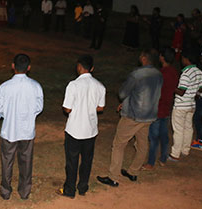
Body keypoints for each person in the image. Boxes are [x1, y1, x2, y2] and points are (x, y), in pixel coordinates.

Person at [97, 49, 163, 187]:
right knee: (142, 144)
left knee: (118, 144)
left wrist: (126, 101)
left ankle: (113, 176)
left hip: (133, 115)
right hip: (149, 115)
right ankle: (133, 172)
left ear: (145, 58)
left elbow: (122, 93)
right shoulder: (158, 74)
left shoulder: (137, 74)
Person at [0, 54, 43, 200]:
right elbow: (38, 107)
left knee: (7, 162)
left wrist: (8, 114)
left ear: (13, 66)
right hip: (27, 130)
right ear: (29, 67)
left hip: (9, 130)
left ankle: (5, 191)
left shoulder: (5, 87)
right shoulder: (35, 86)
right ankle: (24, 191)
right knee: (26, 162)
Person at [57, 55, 105, 198]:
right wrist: (89, 108)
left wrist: (79, 108)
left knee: (71, 161)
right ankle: (83, 187)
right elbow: (100, 108)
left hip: (74, 129)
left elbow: (67, 109)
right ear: (92, 68)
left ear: (78, 67)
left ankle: (69, 190)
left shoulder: (73, 85)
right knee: (87, 160)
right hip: (90, 130)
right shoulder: (100, 86)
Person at [142, 47, 178, 170]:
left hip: (157, 108)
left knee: (153, 138)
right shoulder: (174, 72)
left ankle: (150, 163)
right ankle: (163, 158)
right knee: (164, 135)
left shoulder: (161, 74)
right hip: (167, 107)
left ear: (162, 57)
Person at [168, 48, 202, 161]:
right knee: (188, 127)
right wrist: (193, 93)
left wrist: (171, 87)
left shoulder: (185, 74)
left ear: (186, 59)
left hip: (180, 106)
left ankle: (175, 154)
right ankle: (185, 149)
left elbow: (181, 91)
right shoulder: (199, 72)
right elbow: (201, 89)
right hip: (191, 105)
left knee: (178, 129)